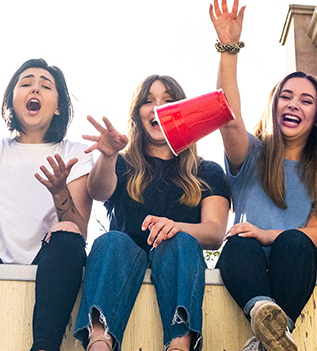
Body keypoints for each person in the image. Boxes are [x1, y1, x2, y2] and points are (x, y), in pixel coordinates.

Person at [209, 0, 317, 351]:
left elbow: (315, 237)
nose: (293, 105)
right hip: (245, 267)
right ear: (275, 104)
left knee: (293, 241)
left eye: (306, 100)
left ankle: (270, 330)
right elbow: (227, 119)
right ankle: (269, 326)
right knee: (239, 241)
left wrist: (265, 233)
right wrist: (228, 48)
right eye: (286, 96)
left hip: (295, 266)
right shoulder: (254, 154)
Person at [0, 58, 93, 351]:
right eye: (26, 83)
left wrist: (60, 191)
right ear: (13, 100)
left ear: (58, 106)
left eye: (45, 85)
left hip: (50, 260)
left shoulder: (73, 151)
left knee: (67, 234)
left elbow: (80, 231)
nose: (35, 88)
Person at [73, 75, 230, 351]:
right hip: (121, 263)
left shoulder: (207, 171)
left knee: (180, 242)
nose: (158, 107)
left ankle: (180, 344)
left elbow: (215, 232)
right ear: (138, 114)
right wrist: (108, 156)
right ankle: (99, 342)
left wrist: (176, 226)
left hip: (177, 265)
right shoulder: (122, 164)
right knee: (112, 240)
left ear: (182, 110)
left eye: (168, 101)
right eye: (149, 101)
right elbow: (98, 191)